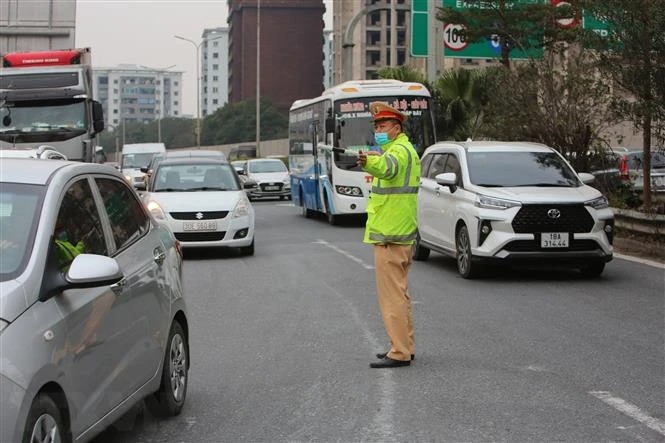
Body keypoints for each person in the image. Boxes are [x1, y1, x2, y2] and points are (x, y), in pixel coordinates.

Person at [357, 101, 421, 369]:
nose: (378, 131)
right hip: (400, 234)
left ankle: (399, 352)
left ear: (396, 128)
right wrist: (372, 160)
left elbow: (388, 168)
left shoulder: (399, 152)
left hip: (391, 237)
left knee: (392, 297)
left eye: (383, 126)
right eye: (376, 127)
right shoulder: (401, 148)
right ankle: (405, 345)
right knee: (401, 295)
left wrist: (368, 161)